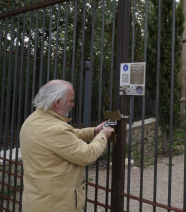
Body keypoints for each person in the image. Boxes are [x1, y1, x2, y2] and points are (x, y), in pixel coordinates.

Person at [20, 80, 115, 212]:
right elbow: (87, 155)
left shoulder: (33, 120)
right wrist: (103, 136)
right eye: (70, 101)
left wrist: (93, 132)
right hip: (56, 205)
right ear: (58, 102)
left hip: (36, 200)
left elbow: (65, 138)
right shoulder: (56, 129)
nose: (73, 104)